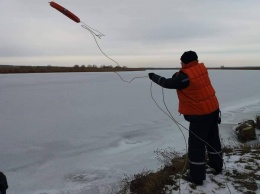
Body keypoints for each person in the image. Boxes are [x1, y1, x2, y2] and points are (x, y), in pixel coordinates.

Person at [148, 51, 223, 185]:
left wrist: (153, 76)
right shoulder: (201, 69)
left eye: (181, 62)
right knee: (213, 140)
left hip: (200, 115)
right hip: (213, 110)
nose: (180, 64)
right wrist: (178, 75)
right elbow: (181, 79)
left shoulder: (185, 76)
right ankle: (217, 166)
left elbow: (167, 83)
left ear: (185, 62)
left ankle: (197, 177)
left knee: (196, 146)